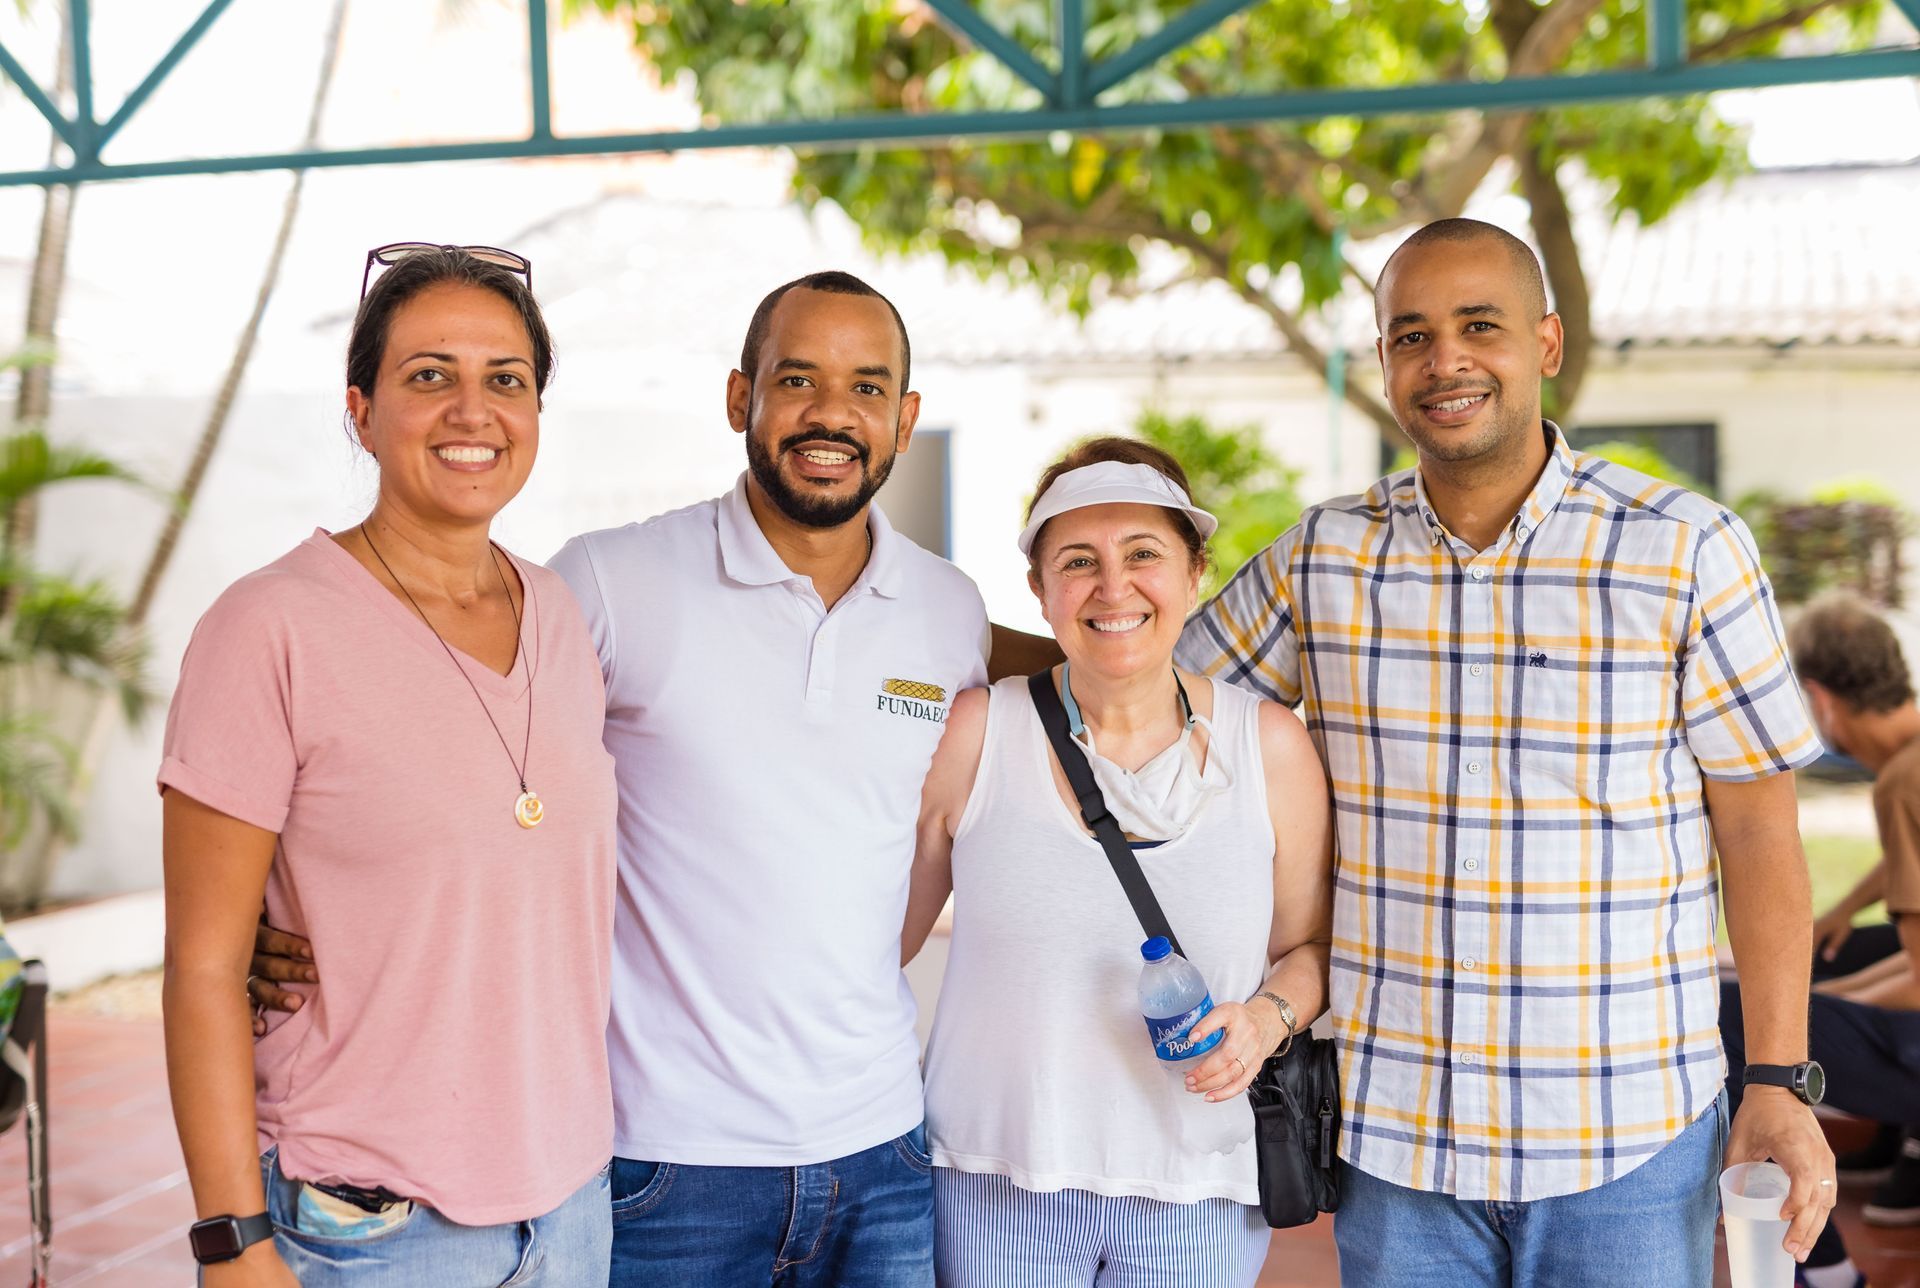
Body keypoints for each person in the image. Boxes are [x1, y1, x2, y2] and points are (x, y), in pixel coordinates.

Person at [246, 270, 996, 1284]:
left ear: (905, 419)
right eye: (797, 380)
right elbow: (452, 744)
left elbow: (1046, 700)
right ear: (741, 399)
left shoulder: (948, 611)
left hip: (882, 1144)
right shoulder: (605, 582)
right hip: (662, 1159)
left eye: (867, 388)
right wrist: (270, 901)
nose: (831, 414)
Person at [1175, 218, 1833, 1286]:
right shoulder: (1321, 559)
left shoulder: (1684, 549)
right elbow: (1149, 697)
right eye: (1410, 335)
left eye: (1480, 325)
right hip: (1398, 1143)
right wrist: (953, 630)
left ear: (1548, 343)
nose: (1446, 362)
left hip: (1630, 1138)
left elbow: (1758, 829)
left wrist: (1777, 1079)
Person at [160, 246, 618, 1286]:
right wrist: (231, 1243)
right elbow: (199, 967)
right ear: (361, 411)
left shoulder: (557, 611)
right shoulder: (268, 626)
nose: (473, 409)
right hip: (368, 1227)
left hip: (572, 1209)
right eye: (429, 375)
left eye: (506, 378)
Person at [905, 438, 1333, 1287]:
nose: (1113, 587)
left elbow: (1311, 949)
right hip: (995, 1180)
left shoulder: (1270, 747)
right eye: (1078, 561)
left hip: (1199, 1190)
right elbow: (886, 937)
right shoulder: (977, 733)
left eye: (1144, 555)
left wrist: (1262, 1021)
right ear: (1039, 588)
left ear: (1194, 571)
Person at [1722, 592, 1920, 1288]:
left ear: (1816, 697)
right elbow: (1903, 863)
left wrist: (1800, 1005)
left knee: (1735, 1021)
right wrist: (1847, 909)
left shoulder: (1902, 783)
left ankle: (1827, 1271)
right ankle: (1905, 1162)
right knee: (1845, 946)